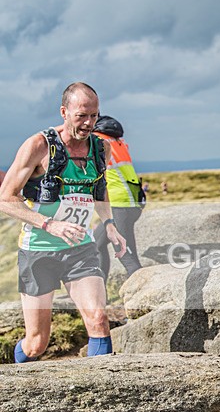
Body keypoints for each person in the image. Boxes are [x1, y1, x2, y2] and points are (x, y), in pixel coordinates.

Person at [0, 82, 127, 362]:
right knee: (37, 344)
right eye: (81, 115)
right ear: (64, 112)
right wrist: (49, 224)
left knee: (98, 319)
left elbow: (99, 190)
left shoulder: (100, 149)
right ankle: (11, 373)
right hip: (39, 249)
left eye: (94, 115)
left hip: (79, 247)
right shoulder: (38, 146)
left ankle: (103, 393)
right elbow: (6, 198)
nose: (88, 123)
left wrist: (109, 224)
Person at [92, 115, 144, 278]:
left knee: (125, 253)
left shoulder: (97, 141)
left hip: (119, 204)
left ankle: (144, 294)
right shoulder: (119, 143)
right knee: (96, 244)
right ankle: (101, 292)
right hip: (132, 202)